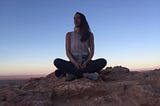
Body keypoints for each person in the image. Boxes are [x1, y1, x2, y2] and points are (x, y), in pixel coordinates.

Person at [54, 12, 107, 81]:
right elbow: (67, 51)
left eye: (78, 18)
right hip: (73, 61)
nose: (75, 20)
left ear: (83, 20)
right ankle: (85, 74)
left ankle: (72, 74)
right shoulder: (69, 35)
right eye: (74, 18)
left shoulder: (90, 35)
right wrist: (74, 62)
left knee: (102, 61)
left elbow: (92, 51)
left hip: (86, 62)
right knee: (57, 61)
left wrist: (86, 62)